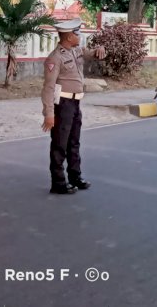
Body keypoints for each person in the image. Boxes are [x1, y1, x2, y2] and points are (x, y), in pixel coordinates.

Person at [41, 18, 107, 195]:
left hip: (75, 103)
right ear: (69, 36)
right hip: (62, 105)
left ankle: (75, 177)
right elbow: (48, 87)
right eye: (77, 33)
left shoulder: (76, 50)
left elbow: (92, 53)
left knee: (74, 142)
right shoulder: (55, 58)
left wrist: (99, 50)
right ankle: (58, 182)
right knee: (59, 144)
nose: (79, 36)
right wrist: (49, 114)